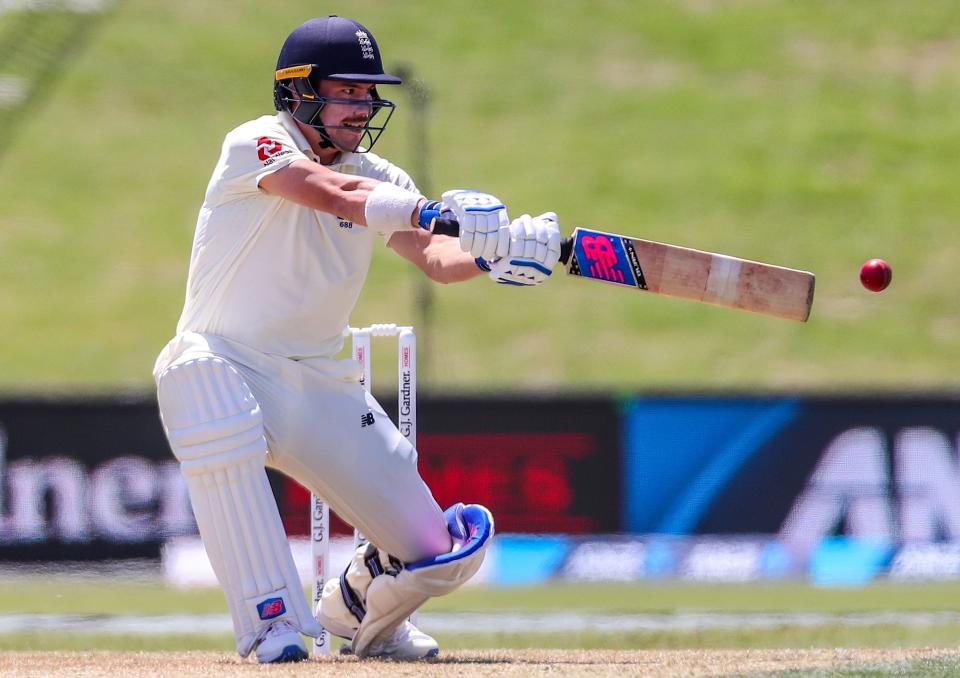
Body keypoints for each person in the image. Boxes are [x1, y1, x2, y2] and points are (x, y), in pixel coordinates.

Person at [152, 15, 562, 663]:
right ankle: (272, 626)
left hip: (318, 380)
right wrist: (429, 209)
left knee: (440, 553)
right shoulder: (256, 143)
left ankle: (356, 604)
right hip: (224, 359)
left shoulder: (383, 176)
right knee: (199, 385)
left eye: (369, 94)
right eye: (349, 91)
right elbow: (327, 191)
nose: (364, 105)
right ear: (300, 92)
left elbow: (436, 259)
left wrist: (497, 251)